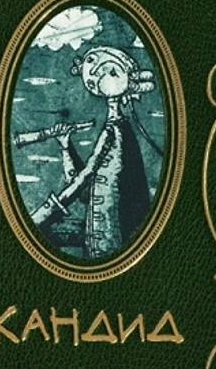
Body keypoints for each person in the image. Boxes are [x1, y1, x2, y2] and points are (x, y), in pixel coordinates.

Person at [31, 46, 155, 259]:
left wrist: (43, 215)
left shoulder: (115, 131)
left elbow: (84, 179)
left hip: (113, 240)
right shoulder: (117, 128)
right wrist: (65, 146)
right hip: (101, 238)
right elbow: (86, 192)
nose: (99, 75)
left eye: (111, 72)